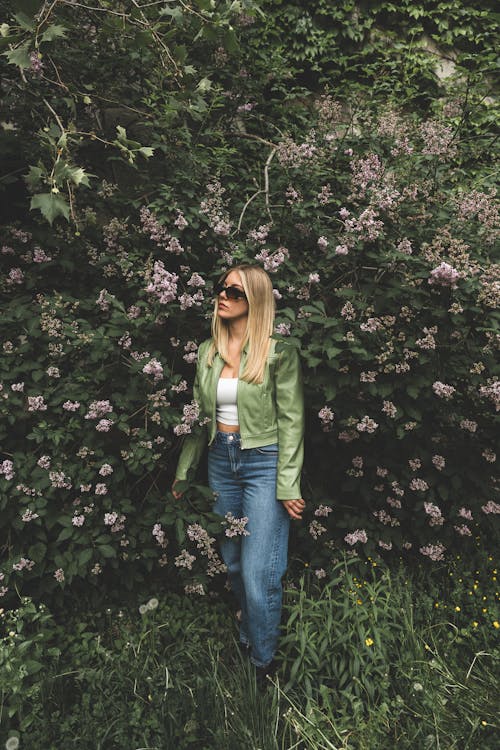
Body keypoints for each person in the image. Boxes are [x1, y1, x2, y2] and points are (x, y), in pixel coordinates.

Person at [172, 263, 305, 681]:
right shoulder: (207, 352)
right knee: (231, 560)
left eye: (235, 291)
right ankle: (249, 630)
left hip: (263, 462)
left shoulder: (278, 353)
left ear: (256, 301)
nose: (223, 296)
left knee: (257, 569)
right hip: (220, 461)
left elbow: (292, 422)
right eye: (220, 288)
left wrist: (287, 484)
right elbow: (198, 418)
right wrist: (183, 472)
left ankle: (263, 665)